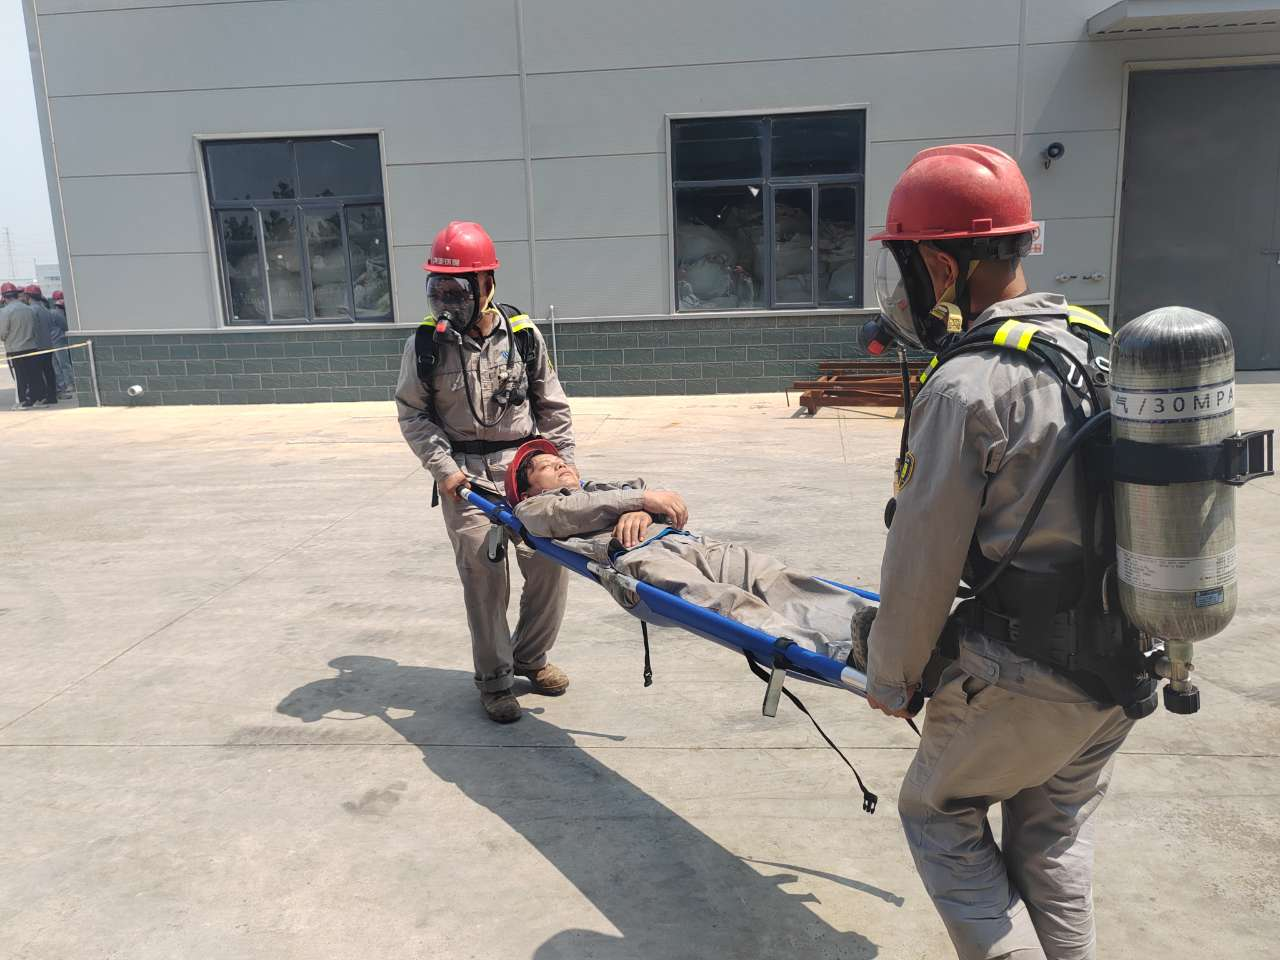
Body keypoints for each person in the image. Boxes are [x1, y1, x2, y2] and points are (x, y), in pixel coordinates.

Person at [863, 143, 1140, 960]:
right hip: (1123, 666)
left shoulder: (969, 384)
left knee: (937, 811)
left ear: (942, 268)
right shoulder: (1099, 343)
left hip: (1024, 674)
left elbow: (922, 563)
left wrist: (892, 678)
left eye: (909, 266)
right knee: (1051, 839)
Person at [395, 221, 575, 724]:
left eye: (456, 291)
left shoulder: (523, 336)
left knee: (549, 563)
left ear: (486, 285)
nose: (445, 302)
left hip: (525, 470)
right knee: (483, 573)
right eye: (438, 290)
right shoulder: (425, 345)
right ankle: (495, 681)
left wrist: (564, 466)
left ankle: (531, 657)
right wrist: (443, 469)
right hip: (465, 479)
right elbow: (413, 413)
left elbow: (552, 407)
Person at [507, 440, 869, 662]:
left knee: (774, 578)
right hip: (641, 558)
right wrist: (640, 501)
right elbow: (568, 513)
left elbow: (659, 498)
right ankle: (840, 656)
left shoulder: (602, 488)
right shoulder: (533, 508)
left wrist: (643, 510)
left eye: (559, 460)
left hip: (688, 542)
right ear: (528, 490)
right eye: (545, 466)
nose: (559, 463)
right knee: (726, 603)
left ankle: (877, 627)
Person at [0, 281, 48, 408]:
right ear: (16, 294)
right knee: (34, 375)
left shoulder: (4, 312)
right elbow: (35, 329)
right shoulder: (29, 309)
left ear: (4, 297)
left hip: (15, 349)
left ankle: (22, 401)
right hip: (31, 347)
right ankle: (37, 399)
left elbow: (2, 332)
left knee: (20, 377)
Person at [21, 285, 59, 406]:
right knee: (49, 371)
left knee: (36, 374)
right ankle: (52, 396)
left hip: (36, 346)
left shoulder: (31, 310)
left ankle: (38, 396)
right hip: (48, 345)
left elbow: (30, 328)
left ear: (28, 296)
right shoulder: (46, 310)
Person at [49, 290, 74, 397]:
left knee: (57, 366)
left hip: (52, 341)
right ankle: (69, 384)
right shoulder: (58, 313)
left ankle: (63, 385)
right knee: (64, 364)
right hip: (59, 341)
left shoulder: (52, 312)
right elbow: (65, 327)